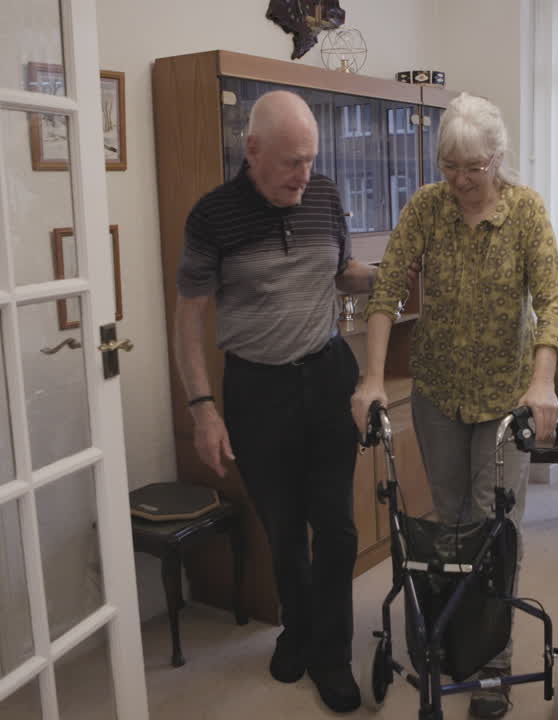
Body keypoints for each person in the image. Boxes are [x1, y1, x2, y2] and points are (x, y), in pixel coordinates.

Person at [350, 92, 558, 719]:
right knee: (446, 524)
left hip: (505, 401)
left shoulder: (526, 213)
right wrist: (370, 379)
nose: (462, 181)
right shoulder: (426, 208)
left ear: (498, 158)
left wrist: (543, 381)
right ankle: (447, 638)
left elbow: (550, 305)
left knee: (493, 529)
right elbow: (386, 290)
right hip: (439, 393)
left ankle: (492, 664)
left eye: (474, 168)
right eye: (451, 167)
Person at [173, 90, 376, 714]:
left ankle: (333, 655)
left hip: (327, 375)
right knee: (285, 530)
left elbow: (339, 271)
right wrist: (203, 407)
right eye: (291, 162)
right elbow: (187, 322)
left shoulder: (326, 196)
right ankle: (298, 629)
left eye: (311, 160)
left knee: (337, 528)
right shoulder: (212, 217)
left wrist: (391, 274)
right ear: (251, 150)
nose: (303, 176)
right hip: (257, 389)